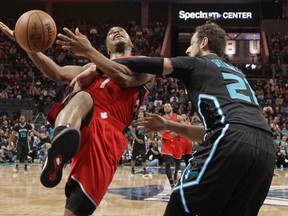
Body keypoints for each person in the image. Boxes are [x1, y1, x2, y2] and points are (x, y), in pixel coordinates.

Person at [73, 22, 276, 216]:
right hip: (266, 149)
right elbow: (216, 131)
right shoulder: (239, 74)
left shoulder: (196, 62)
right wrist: (167, 125)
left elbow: (144, 63)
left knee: (180, 203)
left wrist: (94, 61)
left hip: (231, 138)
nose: (188, 50)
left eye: (191, 44)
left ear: (203, 43)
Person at [0, 23, 155, 216]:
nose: (116, 31)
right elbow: (56, 72)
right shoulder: (89, 66)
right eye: (111, 32)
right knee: (82, 97)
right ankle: (59, 144)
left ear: (131, 41)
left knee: (76, 208)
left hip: (109, 134)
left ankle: (60, 151)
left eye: (121, 30)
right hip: (83, 119)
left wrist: (90, 53)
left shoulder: (147, 64)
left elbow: (125, 78)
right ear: (106, 48)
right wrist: (27, 46)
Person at [161, 103, 183, 188]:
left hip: (177, 142)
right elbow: (157, 130)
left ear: (171, 108)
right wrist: (159, 134)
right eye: (165, 107)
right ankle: (172, 184)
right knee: (167, 164)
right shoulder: (161, 119)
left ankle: (176, 173)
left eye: (168, 106)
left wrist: (177, 133)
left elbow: (184, 127)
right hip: (166, 143)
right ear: (164, 109)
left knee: (178, 165)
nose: (167, 108)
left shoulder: (178, 117)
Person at [129, 110, 148, 175]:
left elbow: (147, 131)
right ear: (138, 115)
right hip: (136, 140)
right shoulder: (134, 122)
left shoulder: (145, 122)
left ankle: (144, 169)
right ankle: (132, 168)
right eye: (139, 114)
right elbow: (133, 133)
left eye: (142, 114)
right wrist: (137, 140)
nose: (140, 115)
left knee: (143, 155)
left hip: (143, 140)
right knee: (133, 155)